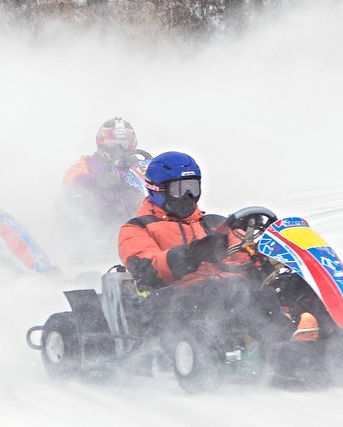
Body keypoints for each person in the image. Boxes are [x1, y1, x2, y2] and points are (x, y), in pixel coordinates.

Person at [116, 151, 304, 354]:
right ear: (157, 190)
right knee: (228, 293)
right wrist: (193, 254)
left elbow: (241, 257)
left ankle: (318, 335)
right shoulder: (137, 228)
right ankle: (276, 348)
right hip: (174, 301)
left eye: (193, 188)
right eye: (180, 189)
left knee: (290, 284)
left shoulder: (214, 223)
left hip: (227, 292)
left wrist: (264, 257)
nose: (188, 196)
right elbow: (150, 269)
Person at [62, 117, 150, 223]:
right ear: (100, 142)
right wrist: (96, 181)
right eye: (113, 143)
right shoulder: (88, 163)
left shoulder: (138, 166)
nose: (119, 148)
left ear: (133, 144)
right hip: (97, 220)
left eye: (124, 144)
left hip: (135, 218)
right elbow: (71, 179)